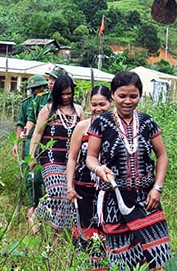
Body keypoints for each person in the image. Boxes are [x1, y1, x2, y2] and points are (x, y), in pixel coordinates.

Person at [86, 71, 172, 271]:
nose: (127, 101)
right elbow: (90, 156)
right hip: (115, 200)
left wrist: (157, 188)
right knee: (123, 258)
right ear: (113, 96)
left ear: (140, 96)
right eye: (121, 96)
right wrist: (99, 169)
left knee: (159, 253)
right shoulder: (101, 123)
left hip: (146, 199)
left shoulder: (147, 122)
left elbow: (162, 156)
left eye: (133, 96)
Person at [29, 74, 85, 235]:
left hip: (72, 161)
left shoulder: (78, 111)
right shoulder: (47, 110)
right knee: (56, 191)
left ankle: (57, 235)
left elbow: (83, 135)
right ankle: (36, 215)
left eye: (69, 93)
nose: (66, 97)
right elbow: (37, 134)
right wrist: (32, 155)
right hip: (51, 159)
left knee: (68, 197)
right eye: (63, 94)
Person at [66, 84, 112, 269]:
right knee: (85, 231)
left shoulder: (117, 127)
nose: (98, 109)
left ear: (111, 102)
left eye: (102, 104)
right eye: (94, 104)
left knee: (107, 231)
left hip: (109, 190)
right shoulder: (82, 127)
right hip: (84, 187)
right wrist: (69, 186)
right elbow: (72, 158)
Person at [11, 74, 47, 223]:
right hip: (28, 143)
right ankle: (34, 204)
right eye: (34, 89)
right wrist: (16, 143)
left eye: (39, 88)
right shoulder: (26, 104)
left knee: (42, 175)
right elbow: (21, 123)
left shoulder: (48, 101)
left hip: (44, 142)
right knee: (30, 176)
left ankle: (44, 206)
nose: (36, 91)